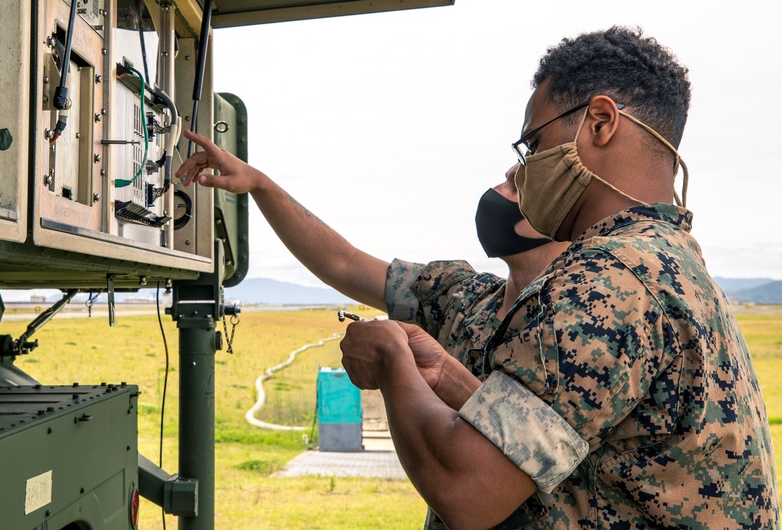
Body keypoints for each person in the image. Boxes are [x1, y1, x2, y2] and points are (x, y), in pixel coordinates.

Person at [177, 25, 780, 529]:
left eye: (535, 143)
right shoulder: (665, 259)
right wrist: (451, 378)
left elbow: (469, 490)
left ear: (600, 123)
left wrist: (392, 361)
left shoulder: (613, 279)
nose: (524, 169)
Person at [176, 142, 569, 528]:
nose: (501, 187)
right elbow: (342, 262)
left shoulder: (575, 328)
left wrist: (390, 362)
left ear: (562, 215)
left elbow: (470, 493)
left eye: (516, 187)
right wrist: (260, 185)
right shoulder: (462, 295)